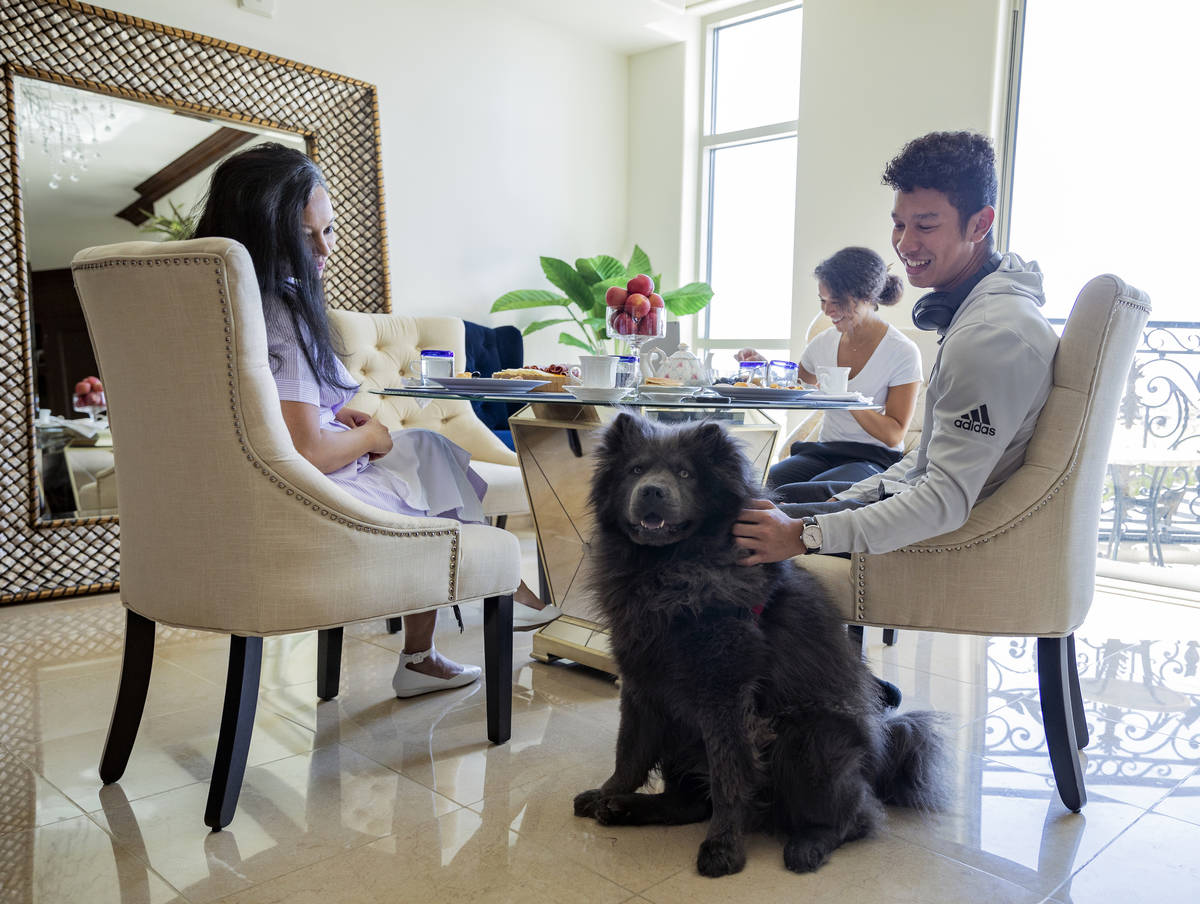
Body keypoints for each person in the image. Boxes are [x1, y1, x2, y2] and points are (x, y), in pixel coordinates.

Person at [192, 143, 553, 698]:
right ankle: (482, 601)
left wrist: (341, 410)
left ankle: (474, 609)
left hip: (234, 497)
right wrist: (368, 434)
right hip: (307, 502)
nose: (323, 250)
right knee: (429, 462)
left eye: (327, 231)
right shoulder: (282, 310)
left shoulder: (211, 304)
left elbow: (272, 399)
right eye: (303, 235)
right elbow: (308, 453)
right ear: (263, 232)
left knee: (428, 451)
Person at [733, 131, 1059, 691]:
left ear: (980, 224)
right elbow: (924, 461)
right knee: (755, 507)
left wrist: (806, 534)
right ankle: (828, 683)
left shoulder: (991, 336)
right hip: (903, 496)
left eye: (926, 225)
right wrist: (843, 501)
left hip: (945, 537)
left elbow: (943, 500)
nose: (904, 243)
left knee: (735, 535)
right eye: (899, 223)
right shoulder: (984, 316)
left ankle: (790, 698)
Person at [761, 246, 922, 500]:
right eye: (823, 301)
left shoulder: (902, 351)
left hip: (874, 457)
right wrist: (764, 366)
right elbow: (795, 386)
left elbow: (893, 435)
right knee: (763, 485)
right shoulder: (823, 343)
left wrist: (847, 400)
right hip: (823, 452)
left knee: (803, 494)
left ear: (867, 298)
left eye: (837, 302)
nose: (827, 311)